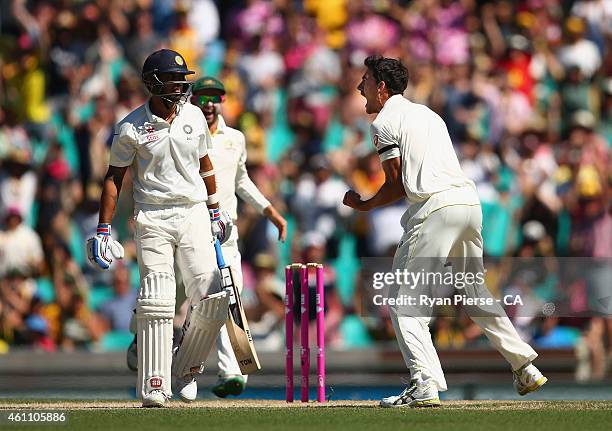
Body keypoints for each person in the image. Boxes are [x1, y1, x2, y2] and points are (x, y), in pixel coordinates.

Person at [343, 55, 547, 408]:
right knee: (474, 291)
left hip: (435, 208)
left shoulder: (385, 122)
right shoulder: (428, 114)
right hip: (468, 204)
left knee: (403, 301)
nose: (360, 88)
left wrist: (363, 205)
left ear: (381, 87)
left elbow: (395, 186)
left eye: (365, 81)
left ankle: (424, 383)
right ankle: (524, 366)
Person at [87, 49, 233, 408]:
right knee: (158, 296)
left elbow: (206, 165)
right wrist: (104, 228)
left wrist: (215, 210)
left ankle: (185, 370)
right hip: (152, 216)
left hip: (194, 213)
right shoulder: (131, 127)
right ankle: (155, 383)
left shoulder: (195, 116)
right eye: (172, 80)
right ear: (152, 83)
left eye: (182, 79)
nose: (181, 86)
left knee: (213, 295)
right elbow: (113, 178)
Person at [187, 76, 287, 397]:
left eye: (215, 97)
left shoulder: (235, 139)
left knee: (231, 295)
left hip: (225, 232)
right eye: (203, 97)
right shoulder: (184, 137)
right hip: (190, 231)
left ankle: (232, 372)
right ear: (193, 101)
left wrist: (269, 211)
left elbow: (242, 181)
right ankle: (177, 364)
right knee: (200, 301)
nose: (209, 104)